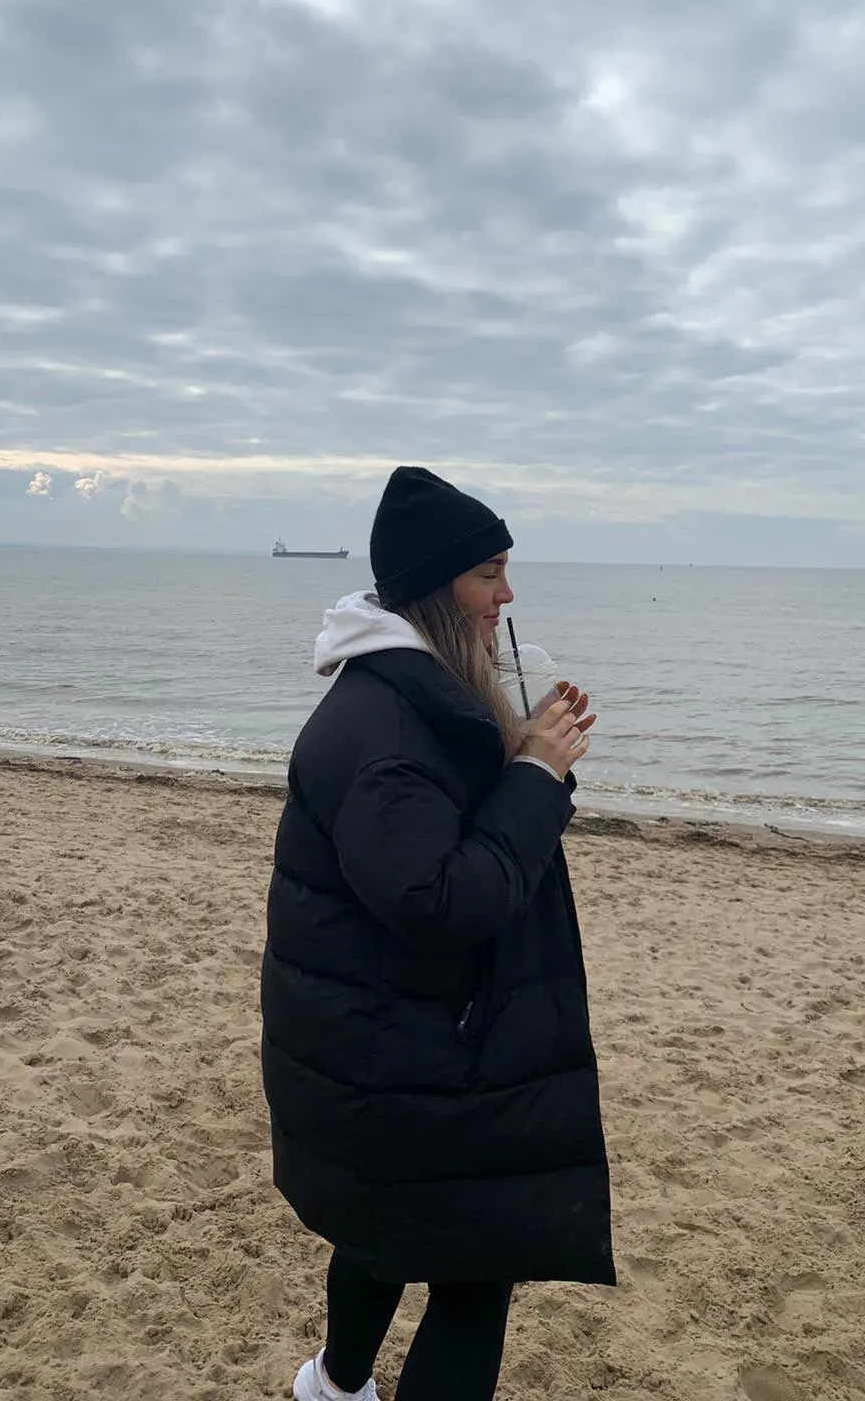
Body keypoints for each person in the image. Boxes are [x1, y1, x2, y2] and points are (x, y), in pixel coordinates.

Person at [262, 466, 615, 1401]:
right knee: (473, 1271)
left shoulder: (409, 694)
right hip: (409, 1051)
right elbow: (442, 903)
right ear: (433, 589)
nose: (507, 595)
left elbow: (440, 841)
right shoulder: (387, 726)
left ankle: (333, 1387)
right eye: (488, 575)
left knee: (380, 1232)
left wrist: (526, 749)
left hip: (392, 1039)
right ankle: (334, 1385)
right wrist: (534, 776)